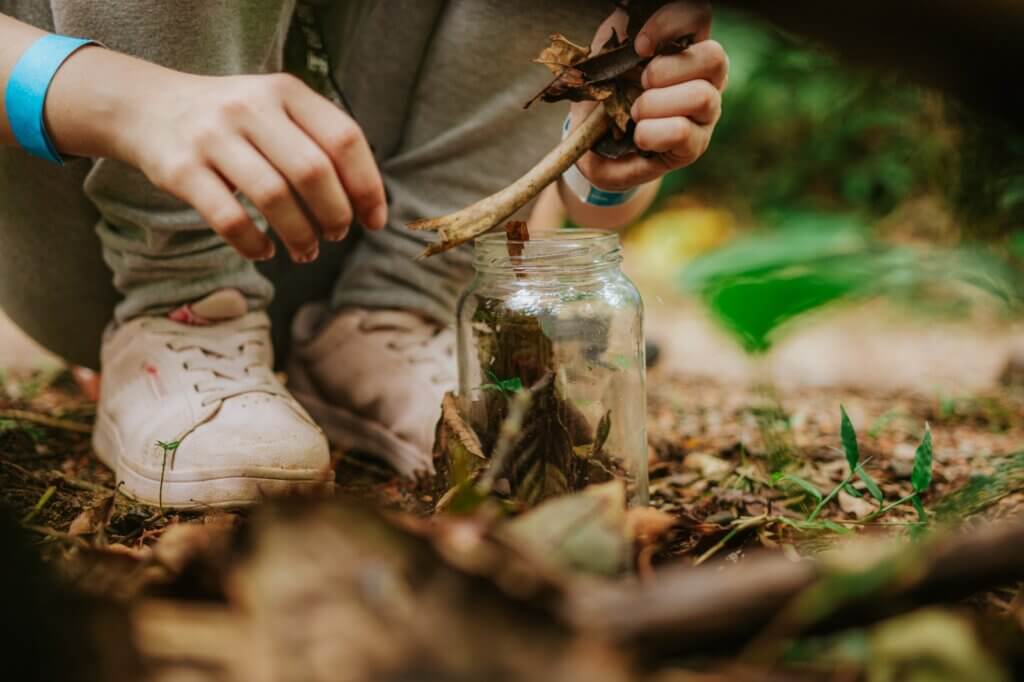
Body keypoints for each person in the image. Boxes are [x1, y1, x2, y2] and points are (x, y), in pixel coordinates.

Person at [0, 1, 728, 507]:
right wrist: (131, 102)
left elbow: (595, 209)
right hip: (102, 233)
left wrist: (605, 143)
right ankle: (182, 304)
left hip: (417, 275)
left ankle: (388, 323)